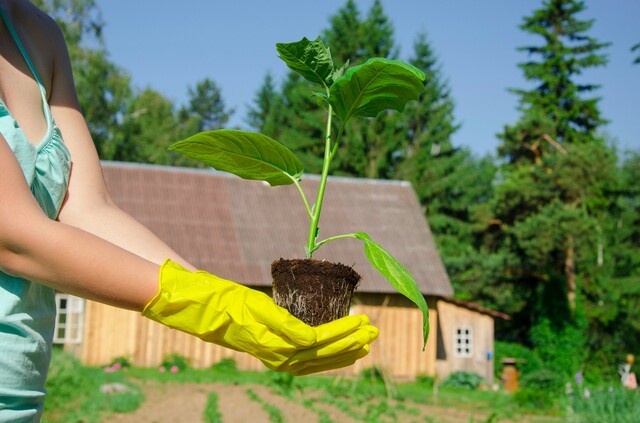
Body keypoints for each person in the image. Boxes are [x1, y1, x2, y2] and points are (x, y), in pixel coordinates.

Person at [0, 0, 378, 420]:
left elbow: (87, 208)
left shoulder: (38, 34)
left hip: (22, 397)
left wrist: (232, 304)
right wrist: (217, 310)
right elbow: (14, 235)